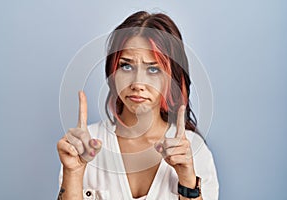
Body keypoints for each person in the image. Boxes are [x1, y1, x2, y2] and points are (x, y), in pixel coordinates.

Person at [57, 11, 219, 200]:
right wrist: (74, 173)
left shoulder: (192, 150)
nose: (137, 84)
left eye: (153, 69)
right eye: (126, 66)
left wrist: (187, 181)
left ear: (172, 78)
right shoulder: (85, 145)